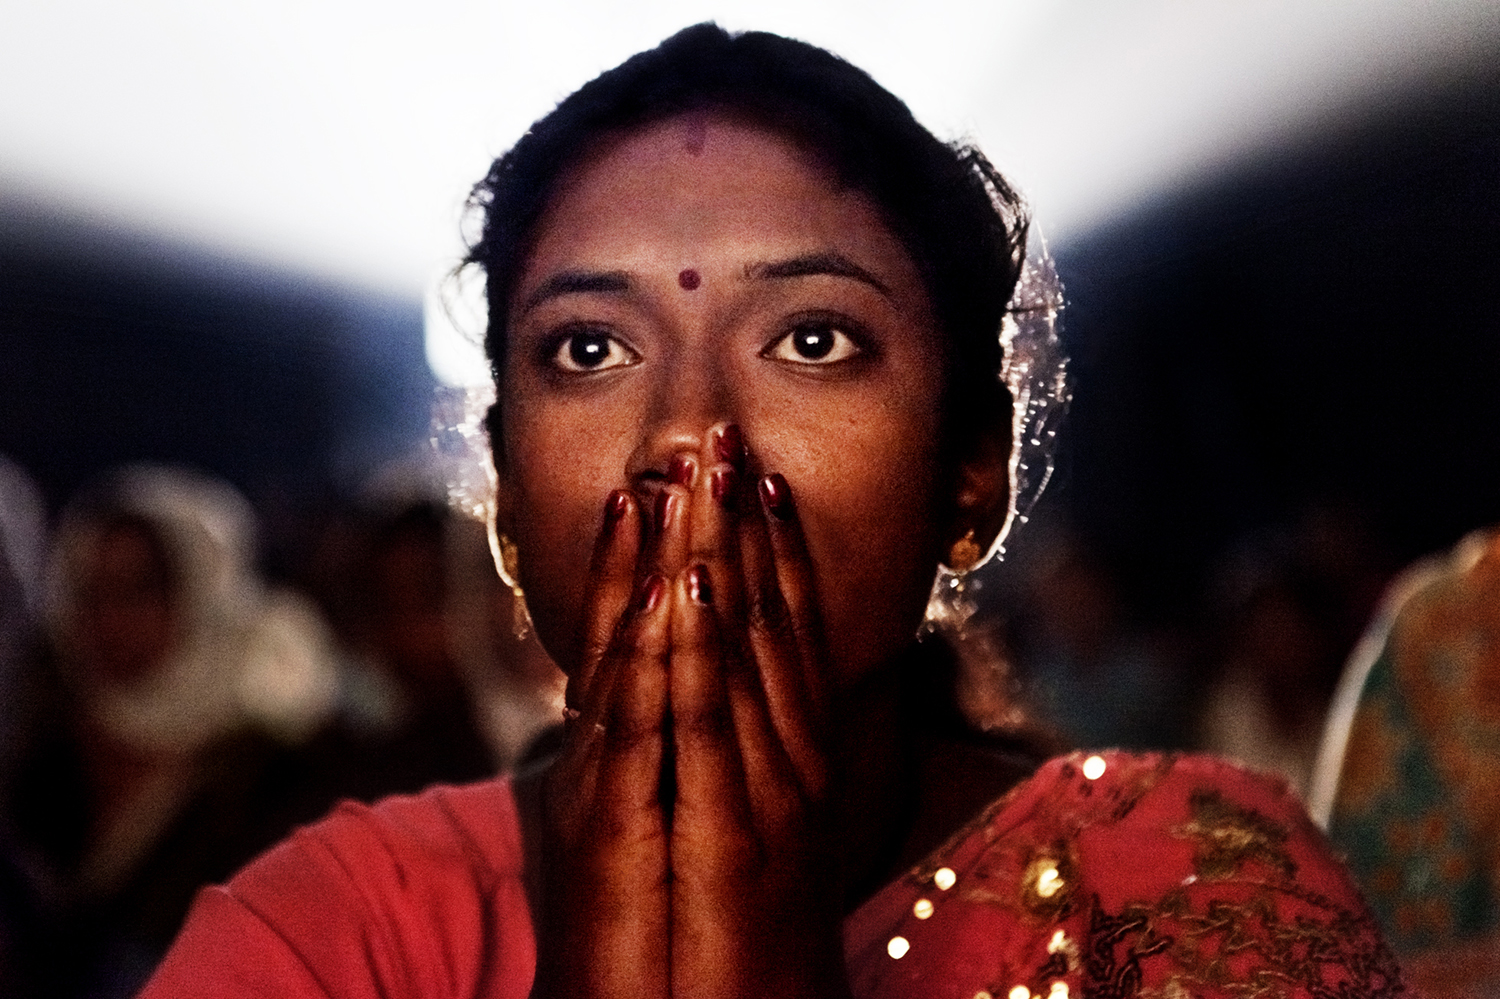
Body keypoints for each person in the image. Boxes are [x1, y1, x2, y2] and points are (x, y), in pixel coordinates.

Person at [141, 25, 1403, 998]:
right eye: (589, 350)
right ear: (509, 511)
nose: (692, 431)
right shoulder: (330, 932)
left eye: (812, 338)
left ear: (974, 476)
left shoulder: (1181, 886)